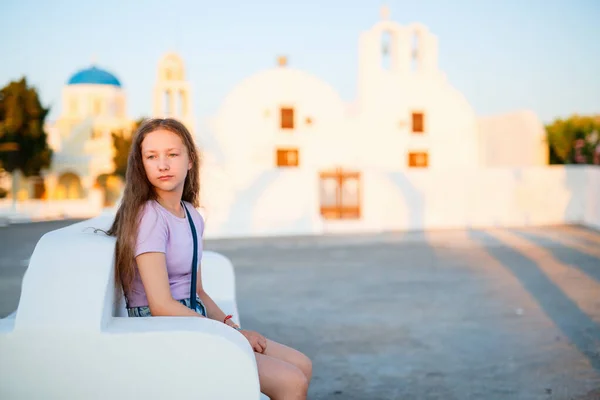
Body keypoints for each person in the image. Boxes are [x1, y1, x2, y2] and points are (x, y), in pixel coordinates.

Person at [106, 118, 312, 400]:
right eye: (151, 157)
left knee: (302, 364)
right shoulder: (149, 217)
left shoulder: (191, 214)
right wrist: (234, 337)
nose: (162, 165)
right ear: (141, 165)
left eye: (172, 154)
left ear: (190, 160)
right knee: (290, 382)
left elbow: (198, 290)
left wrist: (233, 328)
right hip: (162, 329)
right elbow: (161, 304)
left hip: (192, 319)